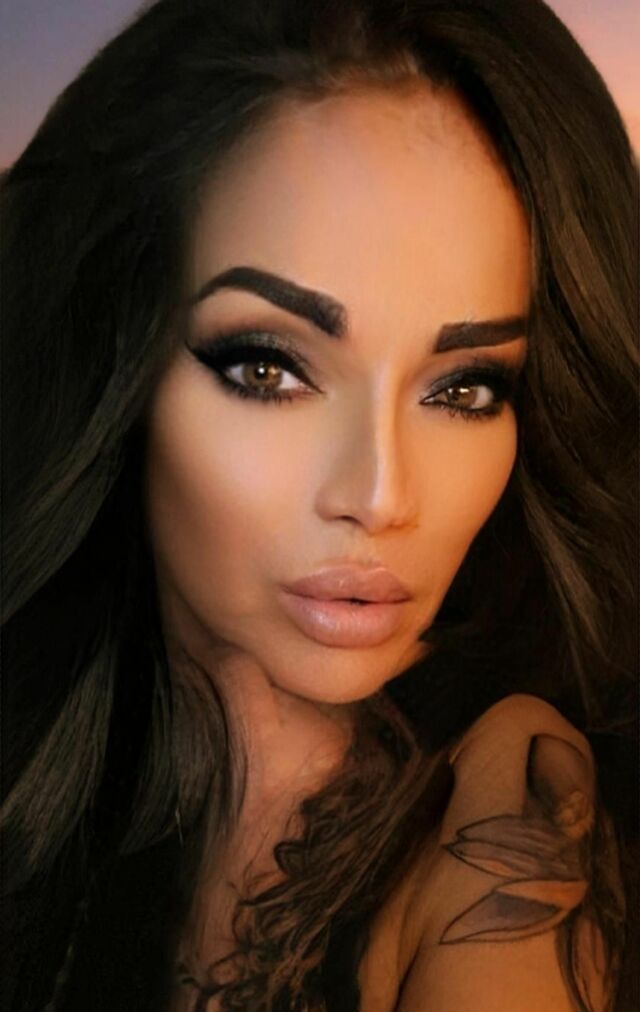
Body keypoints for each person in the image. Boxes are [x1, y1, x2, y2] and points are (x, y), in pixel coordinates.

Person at [1, 1, 637, 1010]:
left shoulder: (504, 803)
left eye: (464, 388)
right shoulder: (43, 760)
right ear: (119, 367)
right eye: (269, 368)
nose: (381, 497)